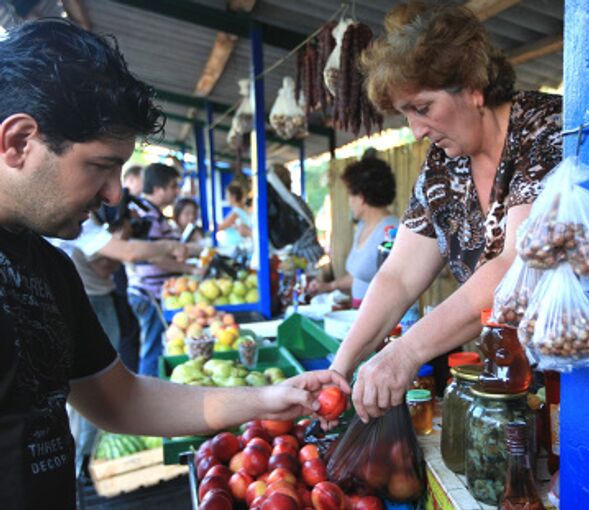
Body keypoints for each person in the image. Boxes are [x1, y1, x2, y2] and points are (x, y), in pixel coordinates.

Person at [329, 2, 589, 426]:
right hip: (583, 359)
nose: (416, 130)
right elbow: (398, 276)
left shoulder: (547, 132)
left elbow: (517, 265)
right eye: (405, 114)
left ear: (472, 87)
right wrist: (339, 369)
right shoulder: (442, 167)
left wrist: (407, 351)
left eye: (422, 107)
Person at [0, 19, 348, 509]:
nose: (116, 193)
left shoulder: (50, 271)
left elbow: (121, 400)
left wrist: (268, 400)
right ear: (18, 142)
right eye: (101, 165)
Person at [48, 215, 189, 476]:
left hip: (99, 302)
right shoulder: (77, 230)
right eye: (102, 171)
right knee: (91, 392)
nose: (111, 193)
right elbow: (127, 252)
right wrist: (170, 246)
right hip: (97, 302)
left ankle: (85, 461)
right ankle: (85, 462)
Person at [125, 162, 198, 376]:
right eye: (174, 186)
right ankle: (148, 403)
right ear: (158, 189)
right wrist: (188, 268)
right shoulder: (148, 214)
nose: (177, 191)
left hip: (153, 293)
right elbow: (154, 257)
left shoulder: (152, 213)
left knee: (155, 349)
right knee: (154, 352)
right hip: (149, 294)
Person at [308, 155, 398, 308]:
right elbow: (360, 276)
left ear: (361, 198)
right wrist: (329, 287)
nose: (349, 201)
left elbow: (396, 283)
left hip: (384, 319)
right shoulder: (363, 226)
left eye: (351, 195)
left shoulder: (391, 231)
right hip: (362, 312)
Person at [216, 181, 253, 253]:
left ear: (233, 197)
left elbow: (219, 227)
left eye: (227, 195)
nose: (226, 198)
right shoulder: (244, 208)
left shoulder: (236, 212)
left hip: (234, 247)